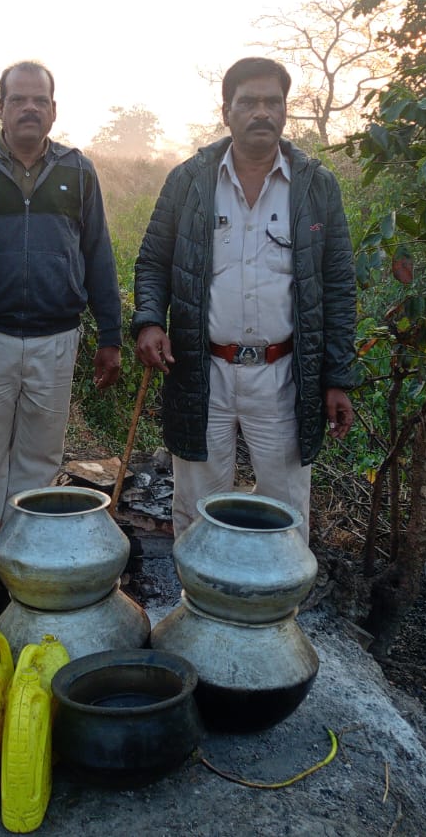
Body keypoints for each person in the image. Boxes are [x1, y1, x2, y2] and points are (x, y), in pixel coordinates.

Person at [131, 57, 357, 538]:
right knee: (197, 512)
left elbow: (338, 286)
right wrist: (149, 321)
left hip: (283, 377)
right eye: (249, 102)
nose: (262, 112)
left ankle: (277, 590)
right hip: (202, 372)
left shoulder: (316, 186)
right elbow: (153, 261)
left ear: (285, 110)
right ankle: (198, 588)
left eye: (273, 102)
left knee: (285, 516)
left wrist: (337, 378)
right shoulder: (189, 181)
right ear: (226, 112)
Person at [0, 61, 123, 612]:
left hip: (57, 337)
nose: (29, 108)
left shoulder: (78, 170)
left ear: (53, 109)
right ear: (0, 107)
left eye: (39, 100)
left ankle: (23, 560)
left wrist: (111, 334)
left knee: (39, 458)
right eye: (18, 99)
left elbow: (97, 252)